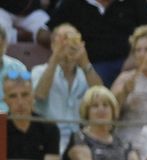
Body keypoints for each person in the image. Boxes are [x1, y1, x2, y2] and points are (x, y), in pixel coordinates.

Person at [47, 0, 147, 87]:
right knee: (98, 76)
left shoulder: (136, 2)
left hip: (129, 60)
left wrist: (134, 55)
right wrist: (64, 39)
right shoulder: (73, 3)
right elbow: (45, 32)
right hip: (93, 63)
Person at [29, 22, 97, 151]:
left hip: (80, 140)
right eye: (63, 39)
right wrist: (56, 57)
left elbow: (100, 95)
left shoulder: (86, 73)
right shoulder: (39, 71)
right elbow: (39, 96)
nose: (68, 44)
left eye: (73, 38)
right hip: (48, 139)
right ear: (53, 44)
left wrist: (85, 62)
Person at [4, 74, 68, 160]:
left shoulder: (49, 128)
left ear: (33, 97)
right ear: (5, 100)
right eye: (13, 96)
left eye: (25, 95)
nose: (20, 102)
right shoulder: (1, 128)